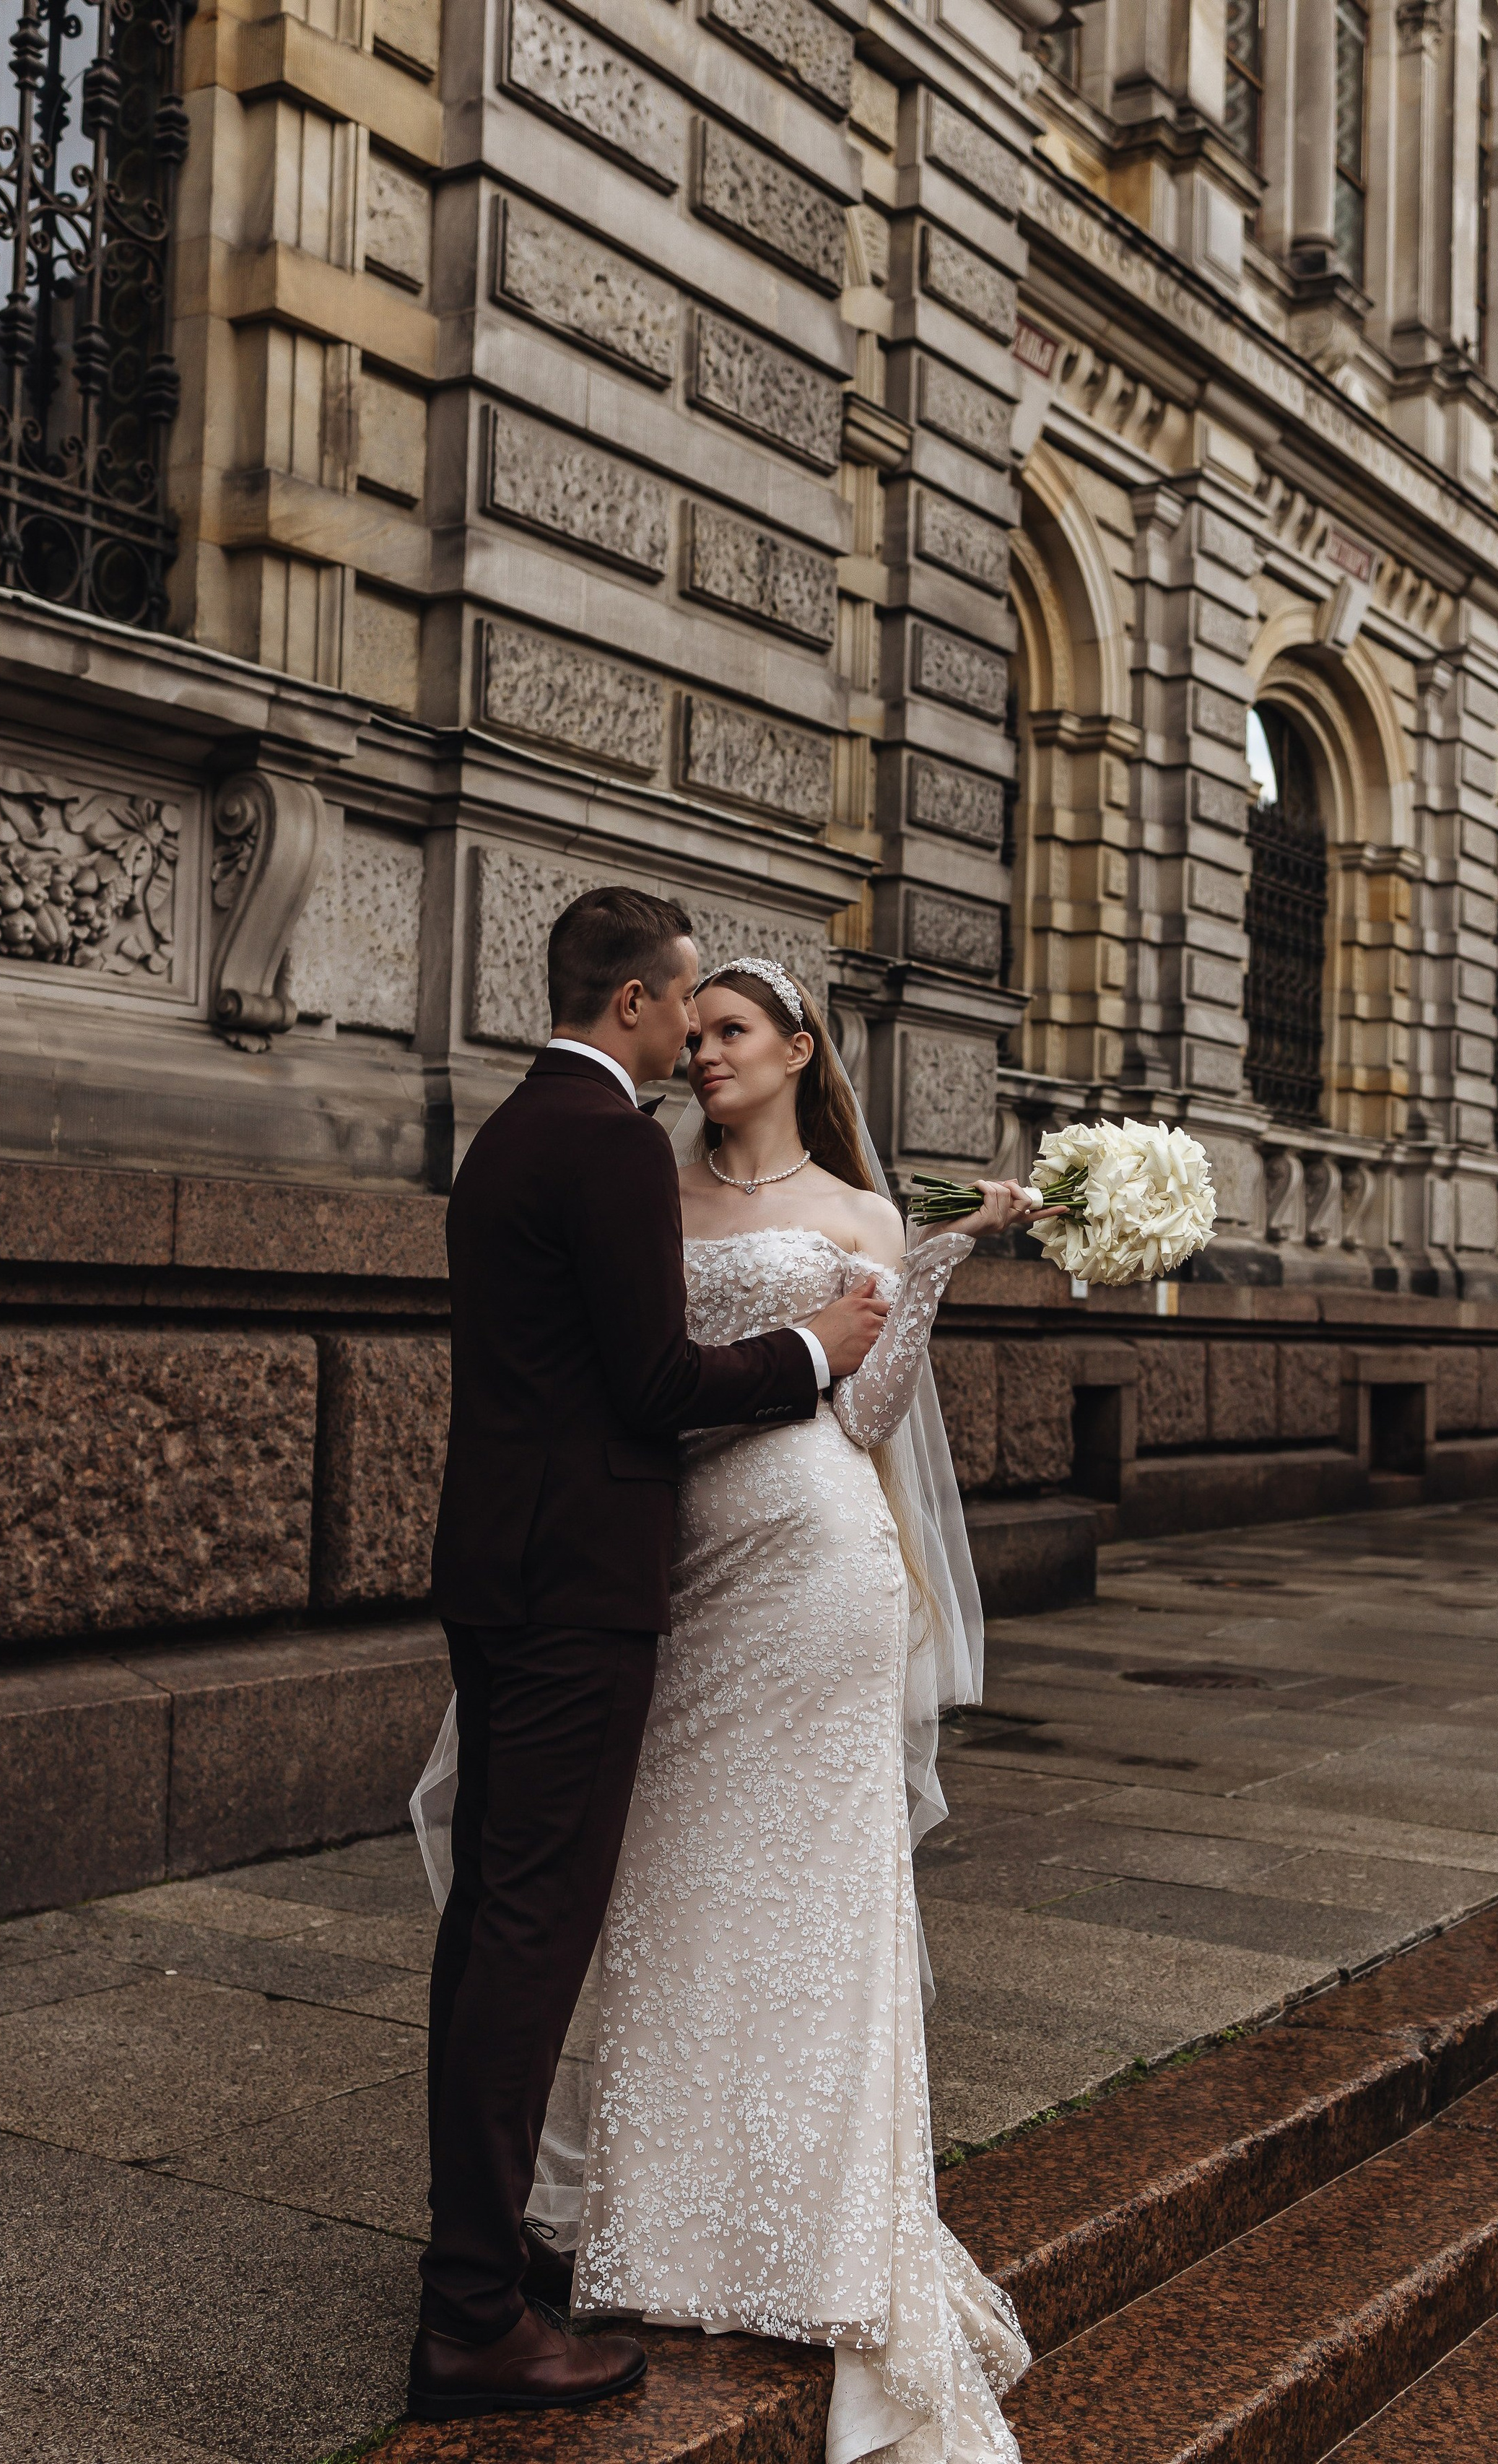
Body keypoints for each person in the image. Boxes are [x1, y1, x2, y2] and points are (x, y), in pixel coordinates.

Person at [407, 889, 892, 2423]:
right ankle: (472, 2316)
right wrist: (813, 1350)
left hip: (501, 1569)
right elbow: (650, 1382)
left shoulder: (506, 1131)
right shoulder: (613, 1144)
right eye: (684, 1004)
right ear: (633, 1002)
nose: (693, 1033)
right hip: (580, 1587)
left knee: (493, 1921)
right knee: (534, 1932)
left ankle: (482, 2263)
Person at [566, 959, 1038, 2462]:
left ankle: (817, 2236)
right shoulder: (649, 1192)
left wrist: (937, 1263)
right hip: (684, 1562)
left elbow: (867, 1413)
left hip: (821, 1562)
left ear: (795, 1048)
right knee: (673, 1875)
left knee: (818, 1892)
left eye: (730, 1033)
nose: (703, 1053)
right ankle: (664, 2224)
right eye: (692, 1031)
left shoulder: (860, 1211)